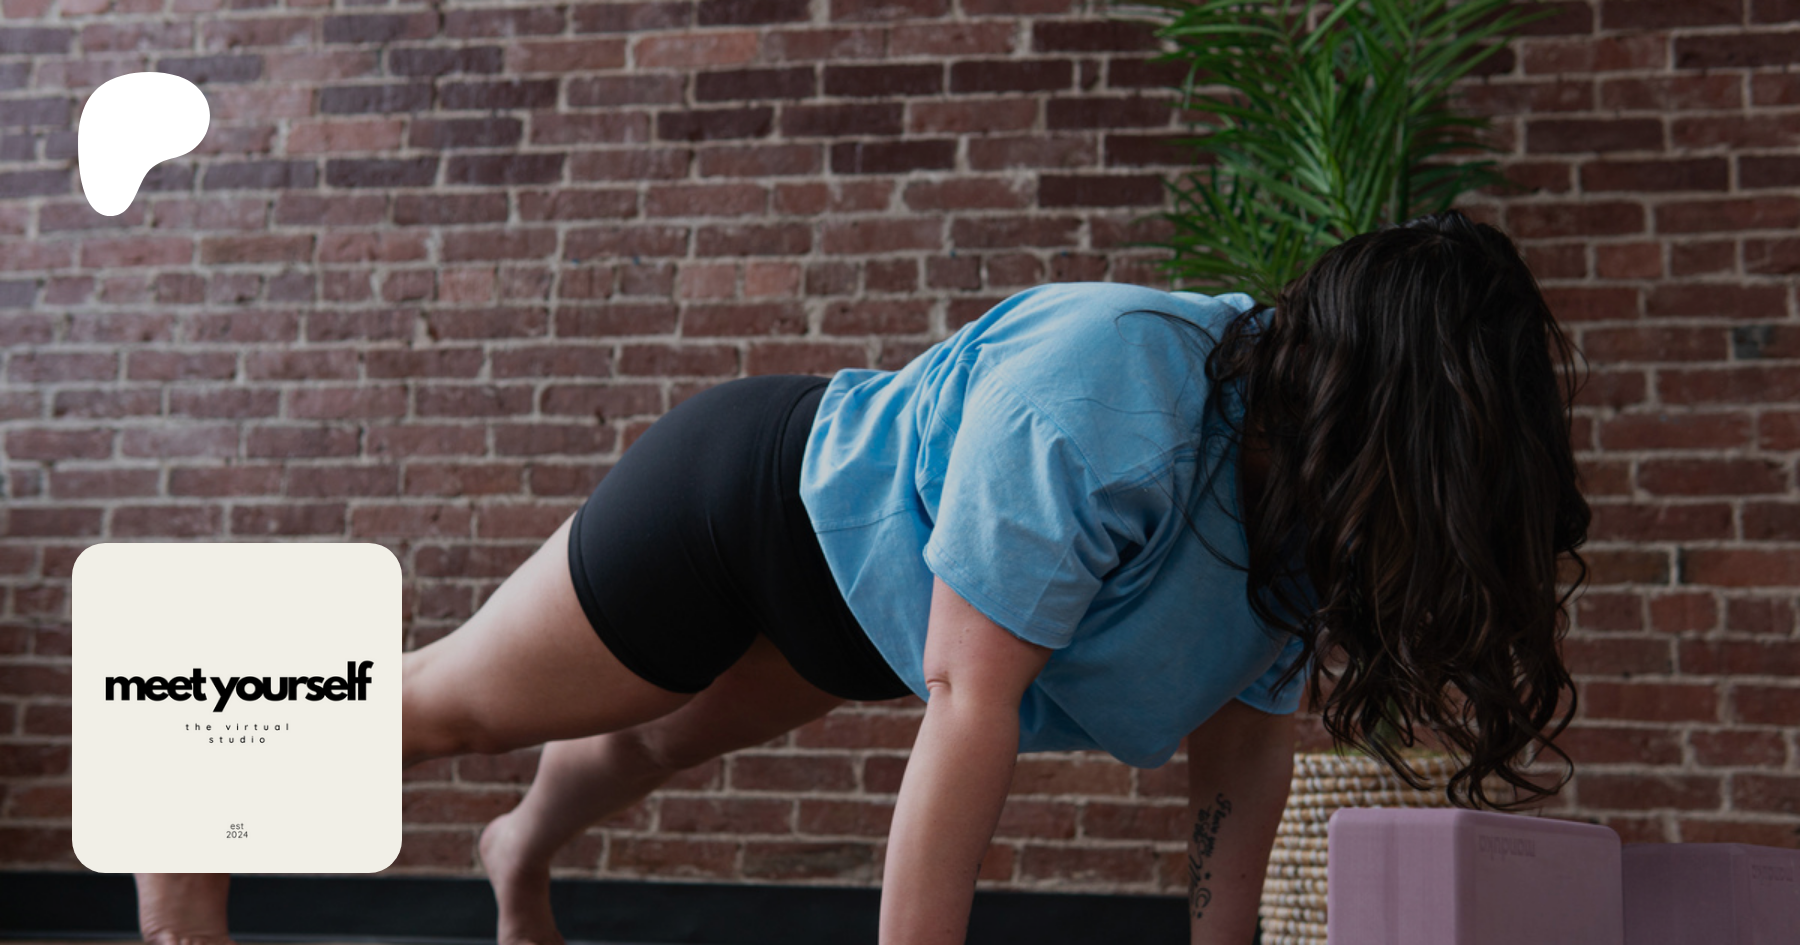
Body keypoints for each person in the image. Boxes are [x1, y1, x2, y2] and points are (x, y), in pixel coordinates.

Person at [135, 209, 1591, 945]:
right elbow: (969, 705)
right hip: (750, 512)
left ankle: (517, 853)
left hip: (862, 620)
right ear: (1375, 401)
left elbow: (1245, 750)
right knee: (453, 707)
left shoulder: (1316, 517)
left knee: (647, 743)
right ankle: (195, 792)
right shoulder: (1113, 386)